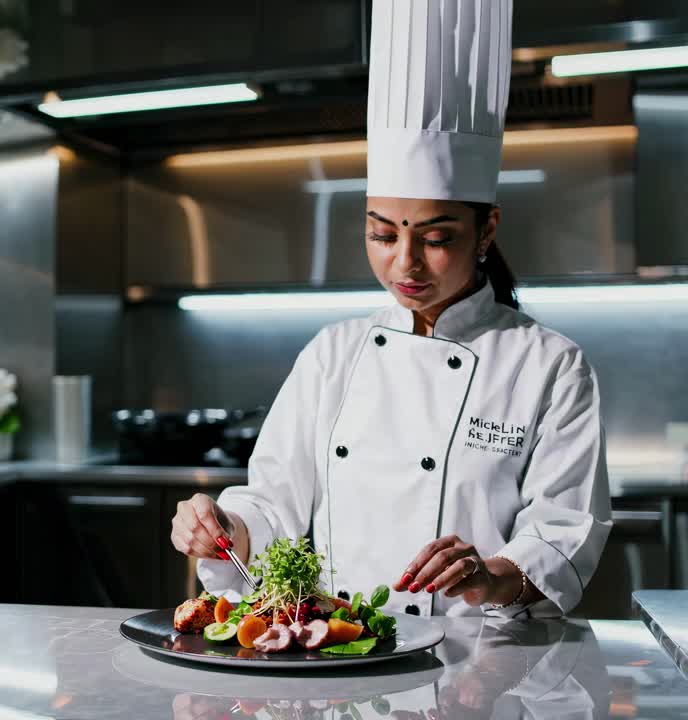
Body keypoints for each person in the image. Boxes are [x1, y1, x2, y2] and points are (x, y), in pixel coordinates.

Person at [170, 0, 611, 619]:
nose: (406, 264)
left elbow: (563, 530)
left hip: (480, 673)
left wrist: (492, 575)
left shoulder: (549, 365)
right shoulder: (334, 352)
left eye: (436, 239)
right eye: (382, 235)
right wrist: (224, 527)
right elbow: (273, 504)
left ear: (486, 232)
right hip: (340, 660)